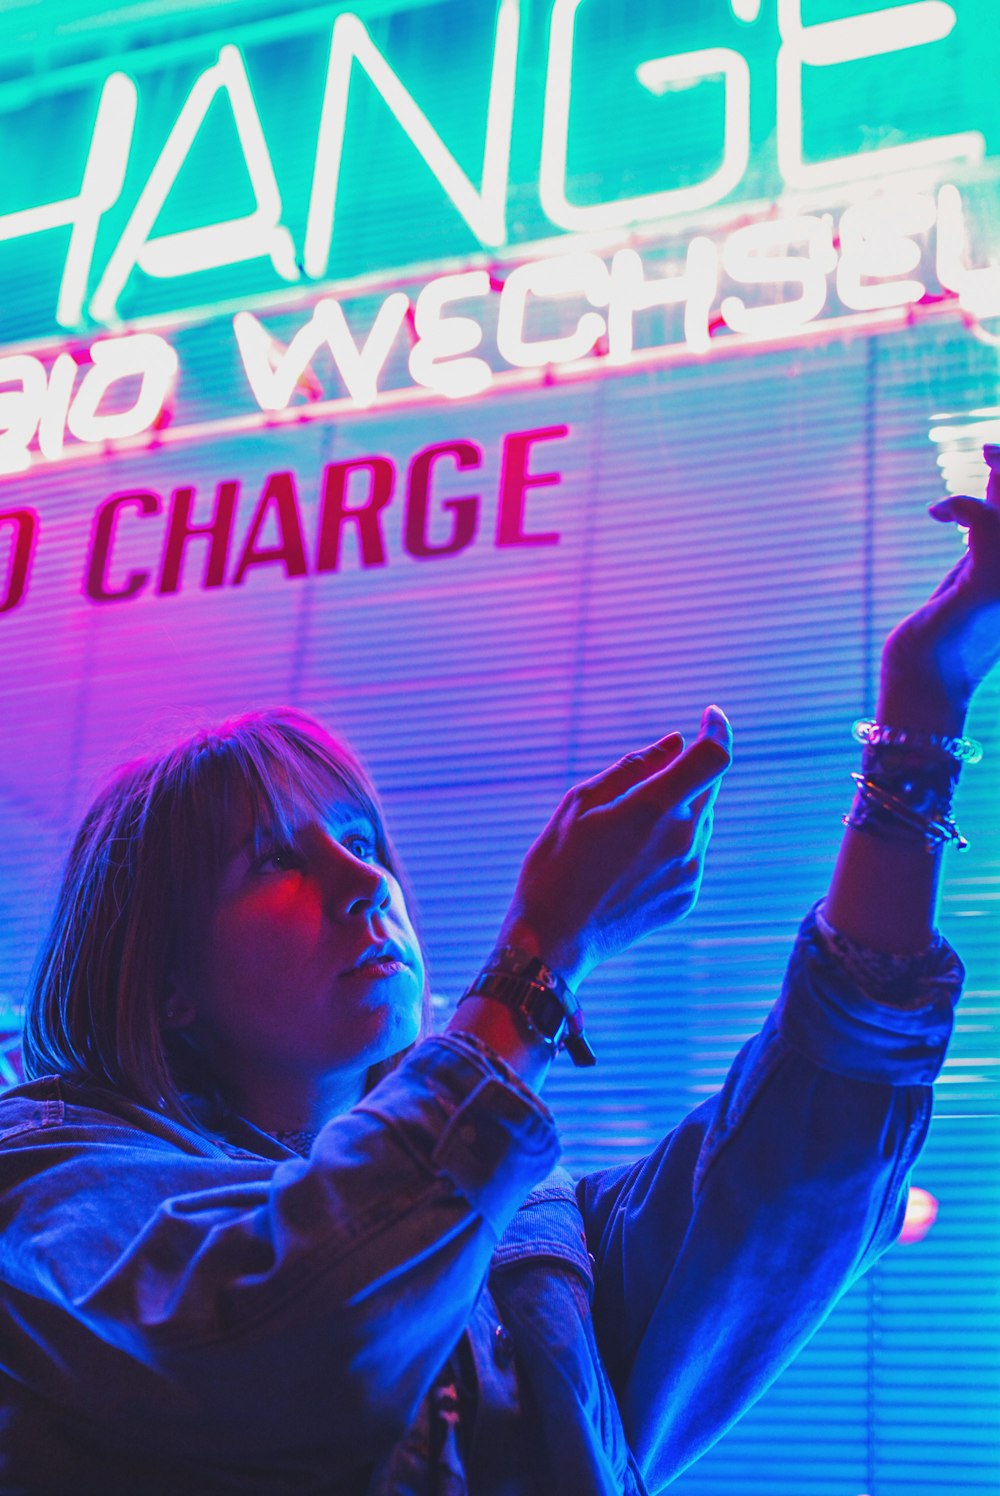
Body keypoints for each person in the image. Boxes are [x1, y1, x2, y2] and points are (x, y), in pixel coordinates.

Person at [0, 456, 998, 1496]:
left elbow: (803, 1155)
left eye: (361, 838)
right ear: (164, 979)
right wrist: (540, 956)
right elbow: (283, 1334)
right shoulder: (48, 1191)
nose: (363, 879)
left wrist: (923, 709)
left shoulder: (528, 1236)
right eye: (275, 861)